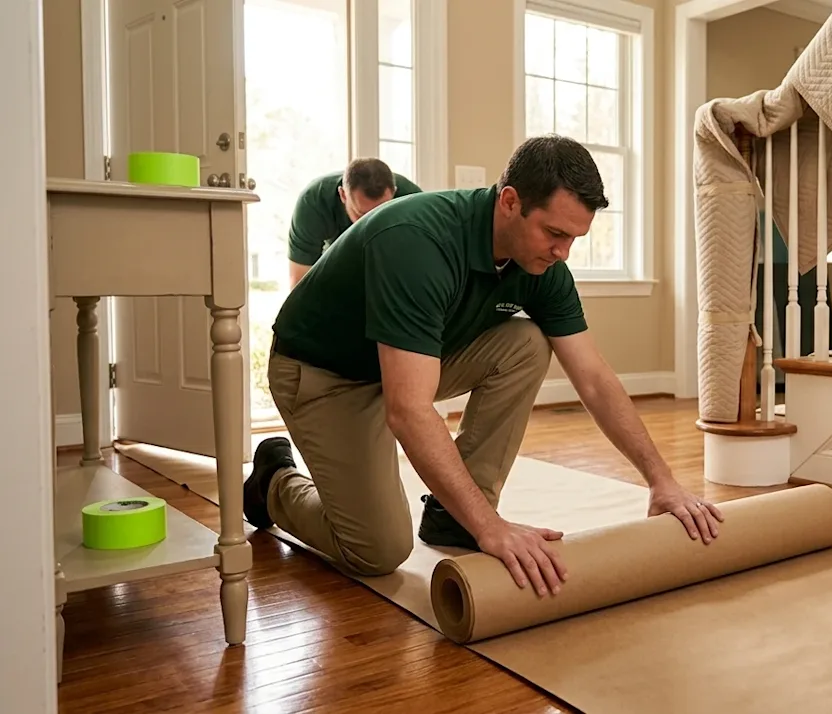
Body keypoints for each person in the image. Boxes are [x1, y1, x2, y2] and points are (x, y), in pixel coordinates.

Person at [245, 135, 724, 599]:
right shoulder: (418, 242)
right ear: (510, 201)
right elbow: (408, 411)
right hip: (325, 376)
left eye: (574, 238)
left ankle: (453, 518)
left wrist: (662, 480)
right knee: (377, 550)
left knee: (527, 343)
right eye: (555, 233)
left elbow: (594, 379)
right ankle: (272, 482)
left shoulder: (541, 266)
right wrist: (492, 530)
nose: (563, 253)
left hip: (402, 366)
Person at [286, 157, 423, 287]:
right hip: (335, 265)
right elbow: (299, 282)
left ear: (394, 194)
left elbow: (423, 269)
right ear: (343, 195)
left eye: (382, 212)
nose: (373, 223)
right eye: (362, 215)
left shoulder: (412, 201)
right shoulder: (314, 202)